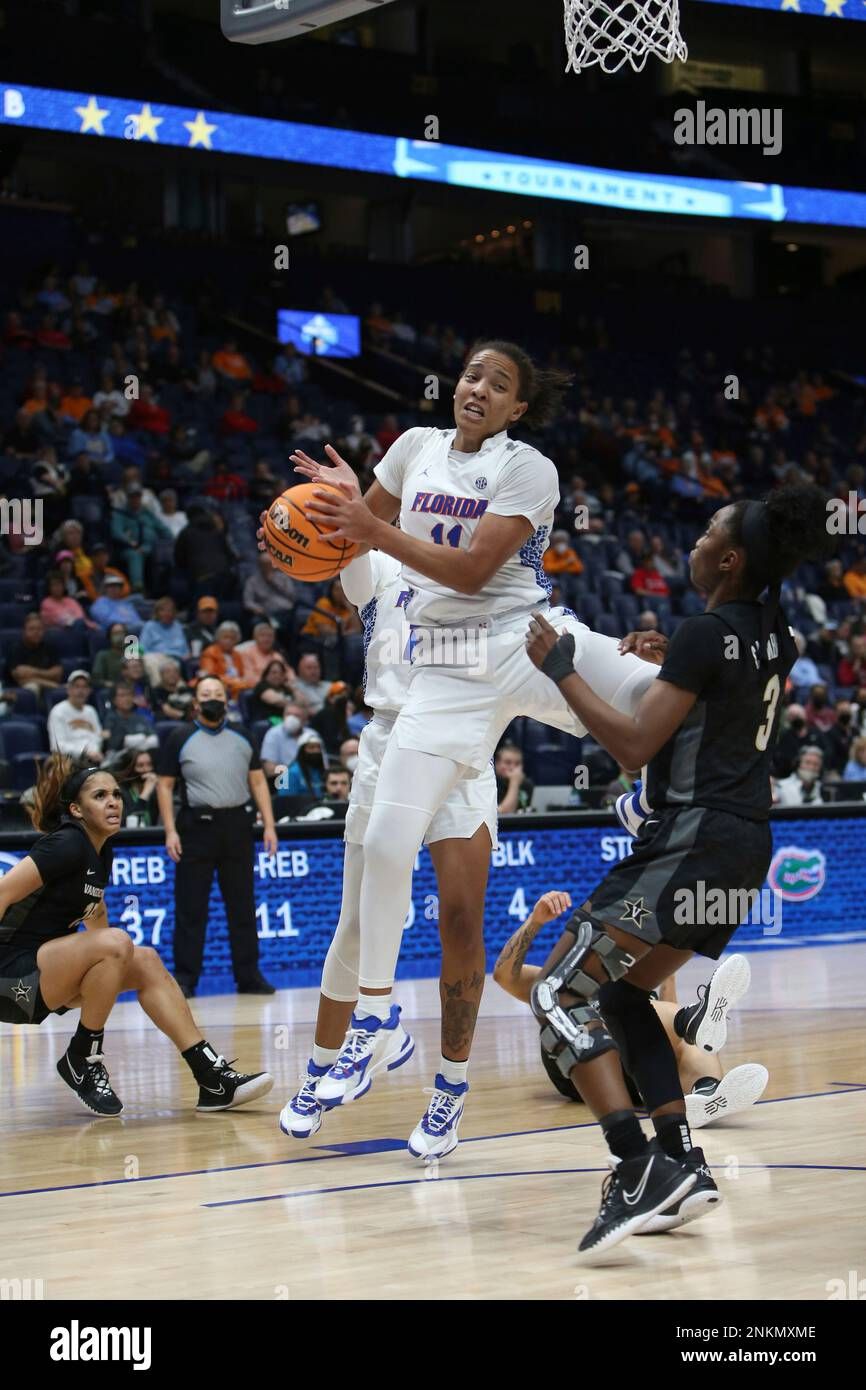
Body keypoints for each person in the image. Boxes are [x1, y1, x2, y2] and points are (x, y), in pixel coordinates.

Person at [288, 340, 657, 1124]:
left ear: (517, 406)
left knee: (652, 685)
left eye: (499, 382)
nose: (478, 388)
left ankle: (656, 793)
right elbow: (357, 538)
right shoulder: (412, 449)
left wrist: (370, 527)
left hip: (522, 639)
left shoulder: (529, 466)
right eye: (470, 374)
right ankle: (379, 1018)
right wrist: (325, 519)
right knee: (386, 847)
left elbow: (470, 571)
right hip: (443, 672)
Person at [520, 481, 832, 1254]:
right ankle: (679, 1155)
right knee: (624, 996)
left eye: (705, 534)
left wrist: (561, 668)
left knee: (560, 991)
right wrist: (676, 669)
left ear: (728, 560)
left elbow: (631, 746)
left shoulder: (704, 631)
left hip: (693, 837)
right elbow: (724, 684)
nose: (690, 543)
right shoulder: (777, 630)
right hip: (746, 847)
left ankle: (635, 1170)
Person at [278, 549, 498, 1160]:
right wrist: (346, 509)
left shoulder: (489, 563)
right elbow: (345, 564)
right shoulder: (378, 561)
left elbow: (480, 664)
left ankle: (450, 1088)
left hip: (457, 742)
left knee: (459, 922)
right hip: (385, 740)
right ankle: (324, 1069)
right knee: (354, 922)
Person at [0, 756, 273, 1115]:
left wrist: (114, 956)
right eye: (99, 796)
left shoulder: (100, 850)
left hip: (42, 973)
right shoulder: (64, 844)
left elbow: (94, 911)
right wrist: (112, 948)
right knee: (117, 943)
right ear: (76, 810)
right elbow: (3, 893)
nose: (113, 801)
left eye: (116, 794)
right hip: (11, 976)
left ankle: (211, 1078)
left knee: (144, 960)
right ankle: (83, 1057)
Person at [494, 892, 768, 1130]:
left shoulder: (637, 969)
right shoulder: (567, 970)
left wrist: (667, 976)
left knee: (691, 1037)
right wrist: (535, 921)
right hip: (575, 1061)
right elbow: (504, 975)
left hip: (625, 1077)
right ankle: (691, 1019)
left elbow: (663, 1025)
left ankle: (707, 1092)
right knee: (691, 1026)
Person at [155, 676, 278, 998]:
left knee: (242, 905)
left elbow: (259, 782)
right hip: (196, 827)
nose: (212, 698)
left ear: (227, 700)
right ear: (195, 702)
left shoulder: (242, 735)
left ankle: (249, 976)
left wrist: (269, 825)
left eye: (218, 694)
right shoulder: (179, 737)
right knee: (191, 908)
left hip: (238, 825)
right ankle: (185, 978)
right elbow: (164, 785)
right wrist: (170, 831)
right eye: (205, 694)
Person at [47, 670, 104, 761]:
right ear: (68, 689)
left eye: (85, 687)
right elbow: (57, 746)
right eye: (76, 686)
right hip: (69, 760)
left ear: (89, 691)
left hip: (94, 758)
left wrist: (95, 751)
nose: (81, 691)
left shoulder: (91, 711)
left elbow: (98, 737)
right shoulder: (58, 711)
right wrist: (85, 752)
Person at [6, 613, 63, 698]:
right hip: (18, 691)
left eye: (39, 629)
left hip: (47, 686)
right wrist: (51, 683)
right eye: (32, 629)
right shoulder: (16, 649)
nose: (36, 632)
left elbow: (57, 674)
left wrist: (33, 672)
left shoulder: (49, 647)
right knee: (33, 687)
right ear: (24, 631)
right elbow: (20, 678)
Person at [103, 680, 159, 754]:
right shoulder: (110, 719)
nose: (127, 699)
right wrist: (142, 738)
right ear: (114, 700)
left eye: (130, 695)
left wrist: (130, 741)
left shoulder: (140, 718)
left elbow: (154, 740)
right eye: (122, 695)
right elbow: (113, 745)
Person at [114, 746, 160, 826]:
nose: (146, 769)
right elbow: (128, 822)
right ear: (130, 769)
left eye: (149, 764)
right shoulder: (120, 792)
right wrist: (145, 794)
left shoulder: (156, 791)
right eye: (140, 766)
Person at [282, 730, 327, 796]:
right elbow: (285, 801)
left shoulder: (321, 771)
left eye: (318, 747)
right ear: (302, 751)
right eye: (311, 747)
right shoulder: (290, 773)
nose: (316, 751)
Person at [495, 741, 534, 813]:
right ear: (497, 763)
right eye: (507, 762)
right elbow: (503, 814)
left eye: (517, 763)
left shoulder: (526, 785)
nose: (512, 767)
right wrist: (514, 783)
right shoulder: (491, 784)